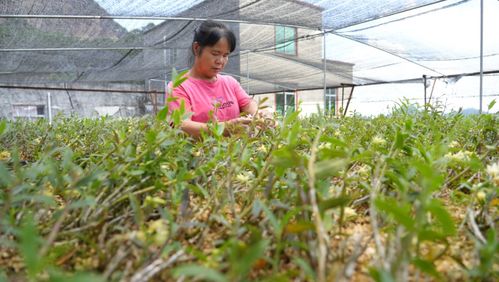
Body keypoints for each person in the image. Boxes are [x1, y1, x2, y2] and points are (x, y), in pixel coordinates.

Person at [167, 20, 268, 138]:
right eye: (215, 53)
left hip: (235, 153)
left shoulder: (230, 83)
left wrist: (259, 115)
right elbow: (181, 125)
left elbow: (247, 104)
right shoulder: (180, 86)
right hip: (199, 155)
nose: (220, 61)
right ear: (196, 48)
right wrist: (224, 128)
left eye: (225, 55)